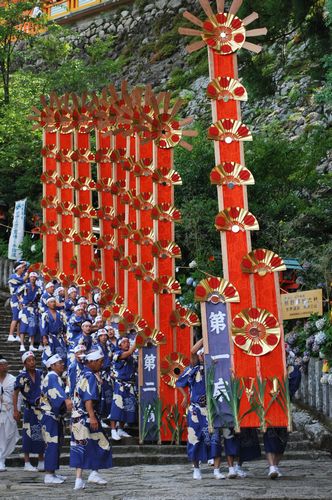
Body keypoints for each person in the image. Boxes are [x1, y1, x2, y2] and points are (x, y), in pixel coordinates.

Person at [176, 340, 224, 480]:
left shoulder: (213, 367)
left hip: (211, 408)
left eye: (204, 354)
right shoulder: (192, 368)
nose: (203, 356)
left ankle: (216, 470)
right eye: (201, 354)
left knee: (215, 439)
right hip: (196, 410)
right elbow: (179, 383)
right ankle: (196, 469)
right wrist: (205, 337)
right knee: (194, 438)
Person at [70, 349, 112, 490]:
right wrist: (92, 417)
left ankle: (79, 479)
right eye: (100, 362)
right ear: (92, 362)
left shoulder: (83, 373)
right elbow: (88, 398)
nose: (101, 364)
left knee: (80, 446)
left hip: (77, 417)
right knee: (102, 443)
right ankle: (93, 473)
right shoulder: (90, 377)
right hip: (87, 417)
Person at [40, 354, 73, 484]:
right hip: (49, 416)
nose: (62, 364)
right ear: (52, 366)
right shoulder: (52, 376)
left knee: (56, 444)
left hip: (54, 416)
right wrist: (66, 400)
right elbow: (57, 394)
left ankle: (52, 472)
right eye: (59, 363)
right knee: (52, 444)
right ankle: (48, 474)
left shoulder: (54, 377)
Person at [13, 351, 45, 471]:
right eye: (29, 361)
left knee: (41, 434)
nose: (32, 362)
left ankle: (41, 460)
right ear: (25, 363)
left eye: (33, 360)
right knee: (27, 434)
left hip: (41, 409)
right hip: (29, 409)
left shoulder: (40, 373)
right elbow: (15, 393)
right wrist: (15, 409)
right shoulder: (21, 377)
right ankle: (27, 462)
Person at [109, 337, 137, 441]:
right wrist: (137, 342)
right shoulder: (117, 353)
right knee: (117, 406)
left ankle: (120, 428)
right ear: (119, 345)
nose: (127, 344)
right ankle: (113, 430)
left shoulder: (131, 356)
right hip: (119, 384)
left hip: (129, 384)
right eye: (124, 342)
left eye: (128, 342)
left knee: (127, 406)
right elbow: (128, 353)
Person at [0, 358, 19, 471]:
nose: (3, 367)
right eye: (1, 365)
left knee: (9, 435)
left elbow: (17, 395)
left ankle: (2, 457)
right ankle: (0, 460)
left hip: (9, 410)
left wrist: (17, 410)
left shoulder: (13, 379)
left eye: (5, 365)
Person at [19, 272, 43, 353]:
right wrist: (21, 303)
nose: (33, 278)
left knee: (32, 326)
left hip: (34, 309)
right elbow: (17, 293)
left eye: (34, 277)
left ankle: (31, 345)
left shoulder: (38, 288)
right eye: (31, 277)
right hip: (25, 308)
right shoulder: (25, 286)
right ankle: (22, 345)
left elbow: (40, 298)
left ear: (36, 279)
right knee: (23, 326)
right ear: (29, 278)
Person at [40, 297, 67, 367]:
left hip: (59, 337)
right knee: (49, 353)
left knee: (62, 354)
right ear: (48, 304)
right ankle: (47, 370)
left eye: (54, 302)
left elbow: (64, 325)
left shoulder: (60, 314)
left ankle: (62, 369)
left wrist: (65, 335)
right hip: (50, 337)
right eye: (51, 302)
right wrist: (44, 337)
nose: (53, 303)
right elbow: (43, 326)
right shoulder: (45, 314)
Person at [8, 262, 28, 342]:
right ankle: (10, 334)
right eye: (22, 268)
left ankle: (18, 335)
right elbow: (23, 280)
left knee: (20, 318)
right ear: (18, 269)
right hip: (15, 299)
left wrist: (24, 263)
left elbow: (28, 265)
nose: (23, 269)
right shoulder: (13, 276)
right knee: (15, 317)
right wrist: (28, 273)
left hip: (20, 299)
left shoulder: (21, 275)